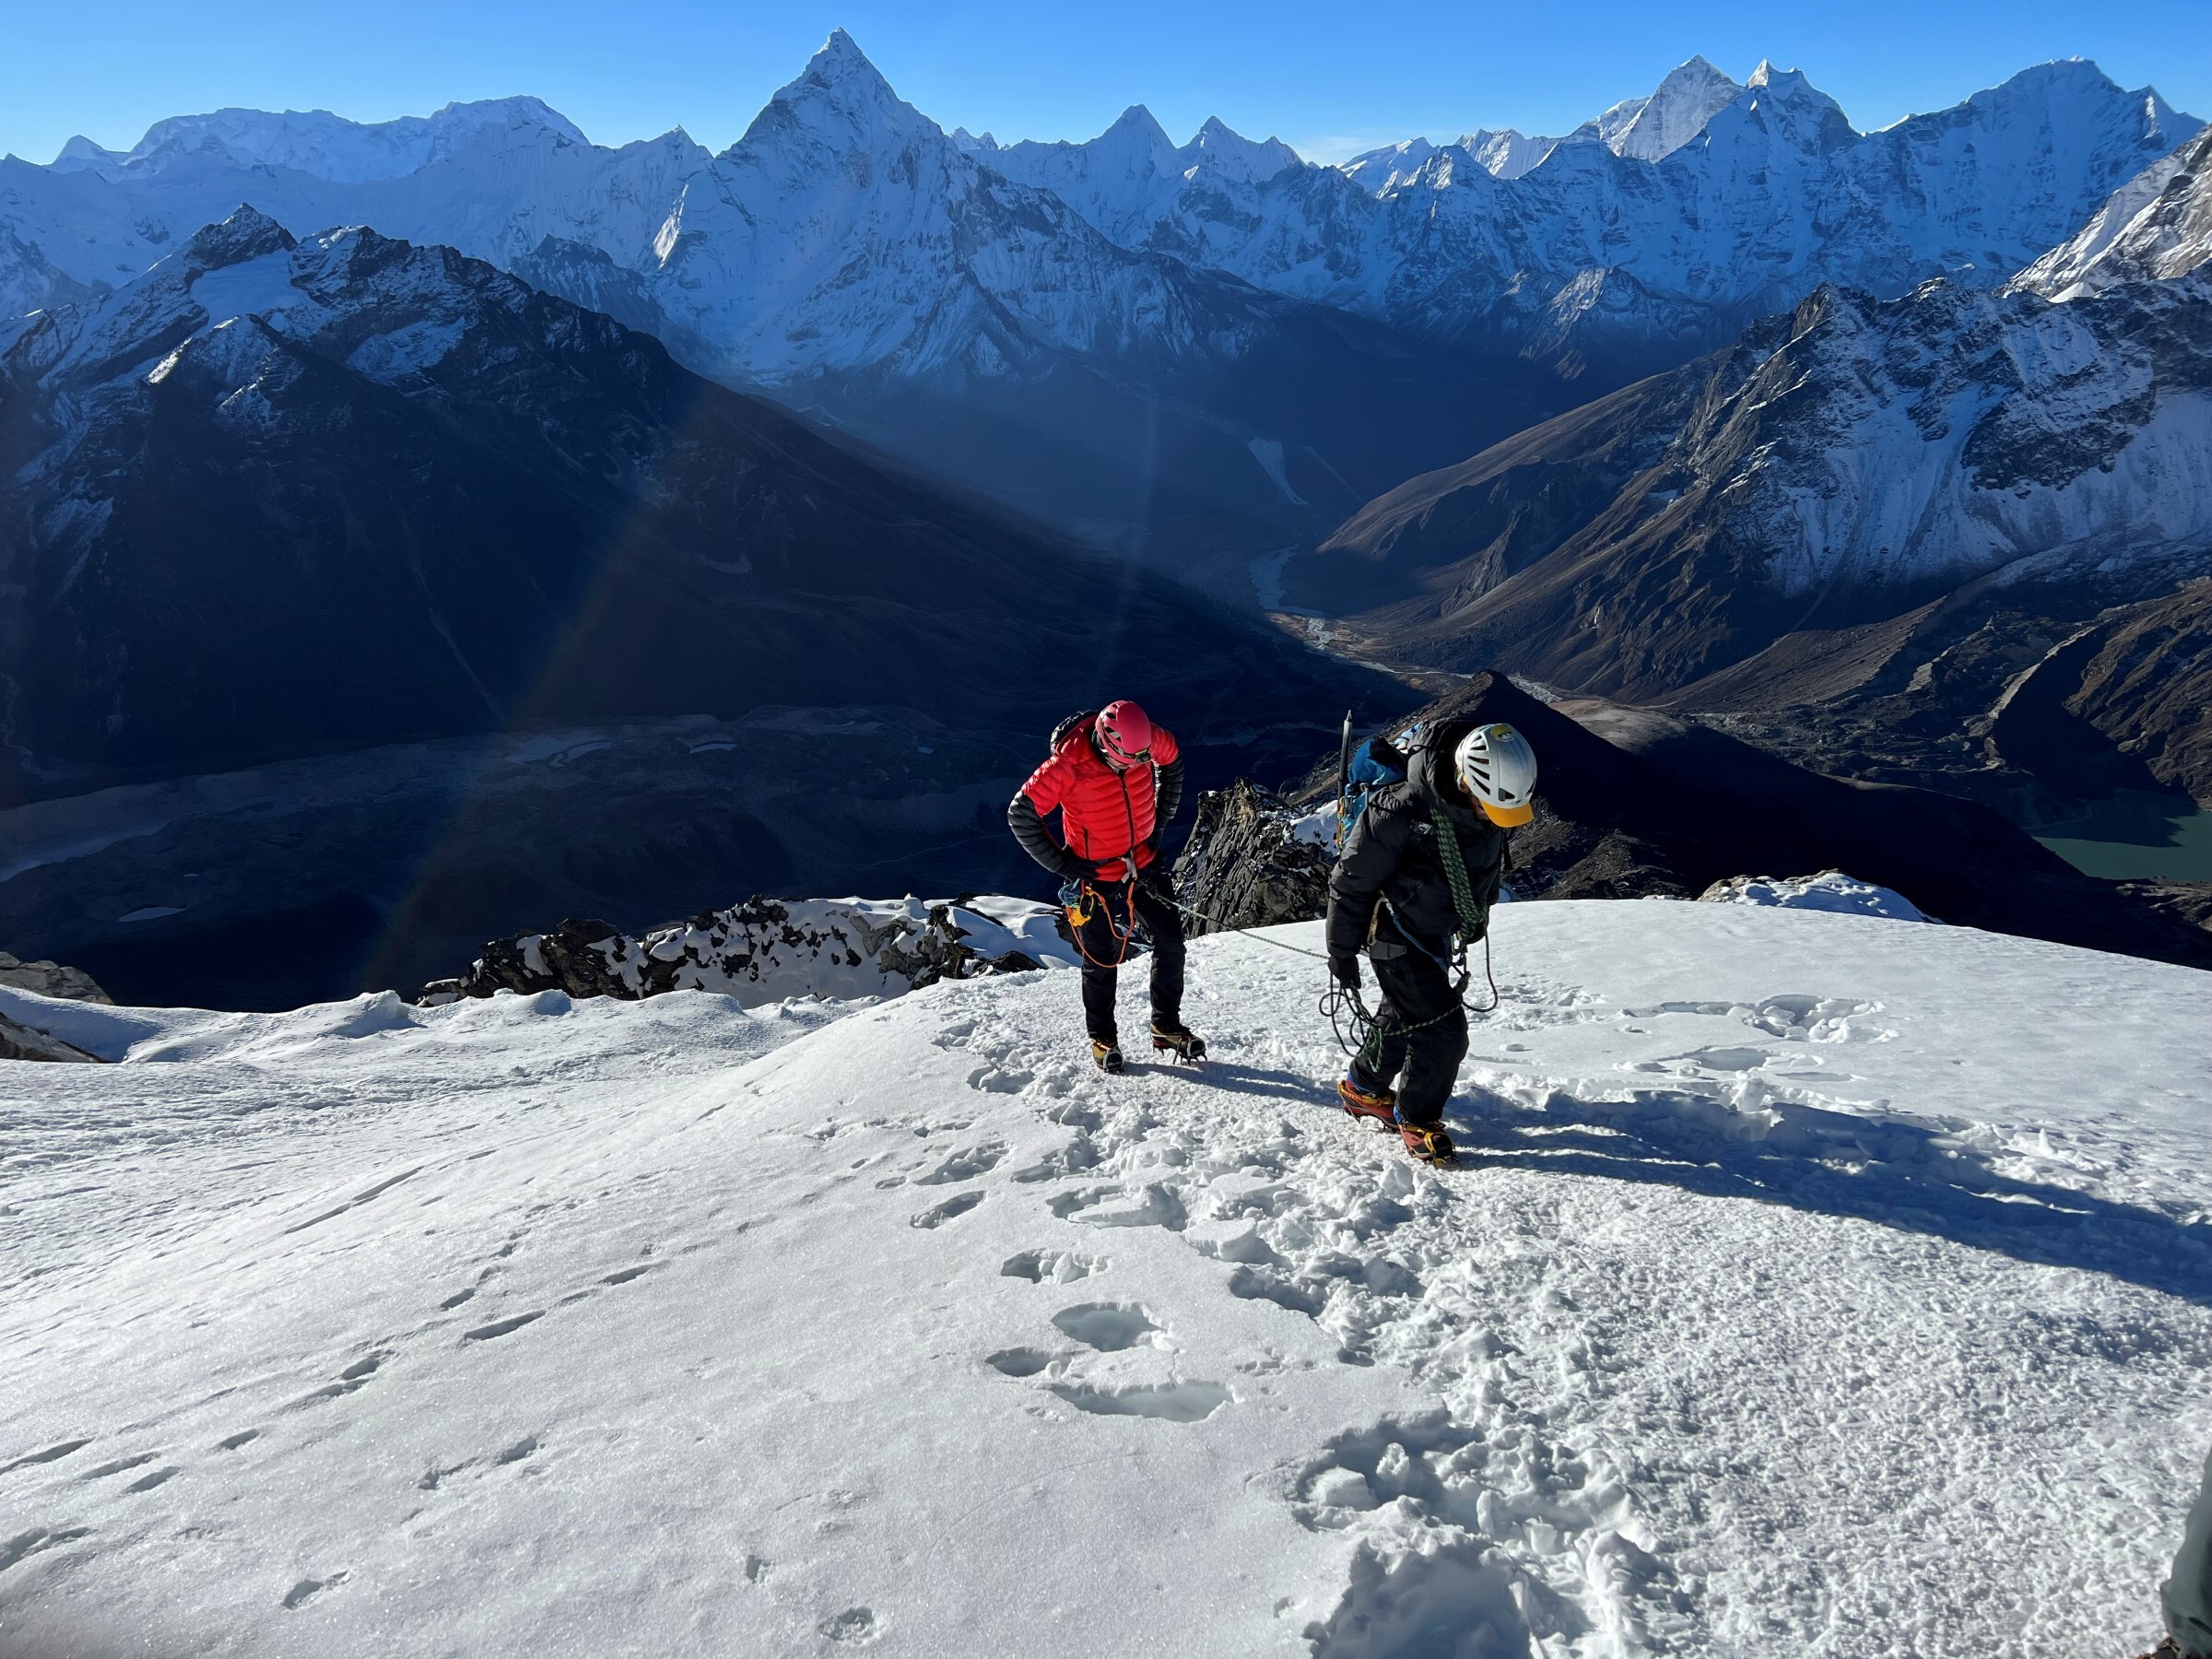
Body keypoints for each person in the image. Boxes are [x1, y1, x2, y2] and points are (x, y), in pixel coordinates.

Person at [1324, 720, 1537, 1167]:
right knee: (1442, 1032)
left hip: (1432, 932)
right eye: (1487, 807)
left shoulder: (1480, 806)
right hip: (1394, 936)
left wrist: (1473, 915)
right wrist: (1341, 952)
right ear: (1464, 780)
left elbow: (1483, 865)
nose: (1490, 817)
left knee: (1402, 1016)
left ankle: (1362, 1087)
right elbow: (1351, 882)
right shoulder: (1400, 812)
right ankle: (1417, 1117)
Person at [1007, 700, 1204, 1073]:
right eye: (1128, 760)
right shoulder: (1068, 765)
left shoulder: (1146, 741)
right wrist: (1064, 864)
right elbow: (1021, 813)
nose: (1135, 765)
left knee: (1171, 944)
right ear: (1108, 742)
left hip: (1142, 864)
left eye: (1140, 759)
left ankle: (1165, 1026)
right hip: (1094, 878)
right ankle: (1103, 1038)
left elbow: (1172, 762)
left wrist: (1160, 823)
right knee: (1101, 958)